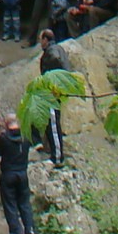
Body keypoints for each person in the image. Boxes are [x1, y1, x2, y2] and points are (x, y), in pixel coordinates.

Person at [0, 109, 38, 234]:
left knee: (10, 205)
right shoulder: (26, 137)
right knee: (25, 204)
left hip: (8, 174)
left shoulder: (4, 138)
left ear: (7, 124)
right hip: (22, 173)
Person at [34, 29, 68, 167]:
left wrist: (52, 83)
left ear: (45, 40)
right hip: (51, 92)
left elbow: (56, 61)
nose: (40, 42)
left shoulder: (52, 51)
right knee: (49, 122)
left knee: (53, 124)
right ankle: (53, 153)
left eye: (41, 39)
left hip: (52, 93)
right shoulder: (57, 49)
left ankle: (58, 157)